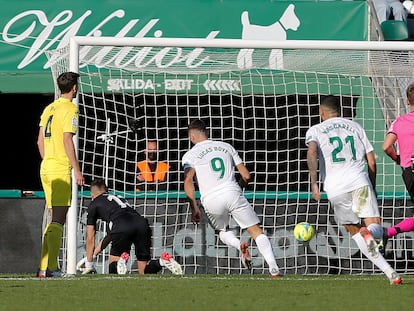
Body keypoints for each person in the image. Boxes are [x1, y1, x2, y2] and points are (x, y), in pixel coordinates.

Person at [305, 95, 402, 285]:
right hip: (358, 180)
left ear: (321, 111)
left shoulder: (315, 130)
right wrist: (372, 184)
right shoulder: (355, 126)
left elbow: (312, 152)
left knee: (355, 230)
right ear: (339, 111)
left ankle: (391, 273)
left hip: (334, 187)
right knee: (374, 226)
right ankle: (372, 235)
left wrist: (314, 183)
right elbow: (371, 160)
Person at [182, 119, 281, 277]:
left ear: (192, 137)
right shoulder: (226, 146)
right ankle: (273, 267)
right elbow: (246, 175)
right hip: (232, 191)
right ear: (205, 132)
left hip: (211, 198)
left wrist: (194, 206)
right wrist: (239, 186)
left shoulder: (190, 155)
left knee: (222, 231)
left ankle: (238, 244)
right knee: (256, 231)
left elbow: (188, 180)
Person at [36, 71, 85, 278]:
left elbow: (39, 141)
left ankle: (43, 267)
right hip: (58, 169)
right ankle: (51, 268)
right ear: (74, 87)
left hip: (46, 167)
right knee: (58, 219)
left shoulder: (49, 108)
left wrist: (48, 161)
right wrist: (77, 169)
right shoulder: (71, 109)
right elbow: (67, 140)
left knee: (52, 219)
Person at [82, 178, 182, 275]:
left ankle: (119, 263)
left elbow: (90, 237)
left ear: (92, 194)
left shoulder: (94, 204)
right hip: (141, 224)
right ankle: (161, 261)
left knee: (113, 273)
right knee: (144, 272)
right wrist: (93, 255)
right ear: (107, 190)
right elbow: (109, 236)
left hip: (121, 225)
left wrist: (89, 264)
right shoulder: (119, 198)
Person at [381, 82, 414, 253]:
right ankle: (389, 232)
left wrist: (398, 159)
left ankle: (389, 232)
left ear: (408, 101)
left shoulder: (399, 122)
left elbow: (386, 147)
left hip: (409, 171)